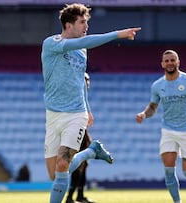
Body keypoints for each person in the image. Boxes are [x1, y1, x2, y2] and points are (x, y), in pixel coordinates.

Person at [41, 3, 141, 203]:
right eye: (82, 22)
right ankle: (92, 151)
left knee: (62, 165)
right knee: (54, 174)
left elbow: (79, 81)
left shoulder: (83, 49)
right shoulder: (52, 43)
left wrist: (87, 109)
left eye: (87, 22)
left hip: (76, 114)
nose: (86, 25)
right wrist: (117, 34)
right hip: (53, 115)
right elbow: (82, 42)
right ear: (68, 25)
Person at [135, 50, 186, 203]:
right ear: (162, 64)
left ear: (178, 62)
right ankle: (177, 202)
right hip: (168, 131)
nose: (169, 63)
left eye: (172, 60)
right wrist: (143, 114)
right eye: (166, 61)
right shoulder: (157, 85)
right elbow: (153, 107)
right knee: (168, 171)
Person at [65, 73, 95, 203]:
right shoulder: (75, 98)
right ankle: (70, 197)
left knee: (84, 165)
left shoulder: (82, 98)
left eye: (88, 81)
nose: (87, 83)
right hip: (75, 133)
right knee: (78, 166)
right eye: (85, 81)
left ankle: (80, 196)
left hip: (81, 133)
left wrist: (87, 136)